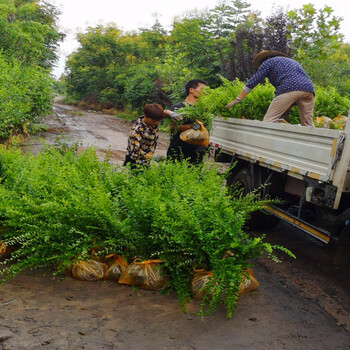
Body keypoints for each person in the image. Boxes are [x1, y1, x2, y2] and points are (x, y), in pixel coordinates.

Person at [225, 50, 315, 127]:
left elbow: (253, 81)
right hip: (309, 90)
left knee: (268, 121)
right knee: (307, 124)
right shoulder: (292, 62)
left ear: (265, 59)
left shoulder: (268, 62)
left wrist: (238, 98)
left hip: (289, 88)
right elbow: (292, 95)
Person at [124, 103, 182, 168]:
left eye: (158, 121)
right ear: (146, 116)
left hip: (146, 161)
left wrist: (171, 113)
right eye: (154, 120)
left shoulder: (153, 120)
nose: (156, 123)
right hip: (135, 162)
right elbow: (134, 151)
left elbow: (163, 112)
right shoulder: (138, 130)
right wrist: (152, 157)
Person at [166, 79, 208, 164]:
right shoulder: (178, 107)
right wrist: (192, 126)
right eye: (202, 89)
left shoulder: (204, 110)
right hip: (178, 151)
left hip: (196, 153)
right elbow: (173, 128)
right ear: (191, 90)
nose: (205, 92)